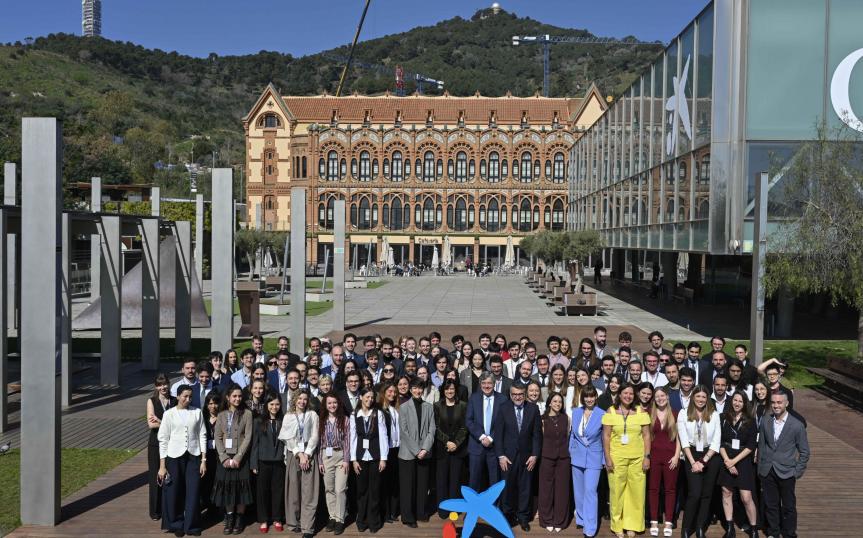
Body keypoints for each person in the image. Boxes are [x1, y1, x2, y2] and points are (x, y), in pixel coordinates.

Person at [602, 383, 652, 538]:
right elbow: (606, 436)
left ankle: (632, 524)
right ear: (620, 394)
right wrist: (608, 458)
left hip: (637, 458)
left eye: (631, 393)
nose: (628, 396)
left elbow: (646, 436)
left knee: (636, 492)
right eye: (625, 393)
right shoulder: (610, 411)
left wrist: (646, 457)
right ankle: (617, 525)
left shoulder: (640, 411)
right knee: (617, 492)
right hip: (617, 458)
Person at [757, 390, 809, 538]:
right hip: (767, 471)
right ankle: (773, 532)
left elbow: (804, 452)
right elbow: (761, 446)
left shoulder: (797, 425)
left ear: (786, 403)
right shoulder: (766, 420)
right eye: (773, 402)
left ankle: (789, 533)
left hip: (787, 472)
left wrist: (796, 472)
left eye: (779, 402)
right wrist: (761, 469)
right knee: (771, 504)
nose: (776, 405)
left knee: (789, 506)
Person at [157, 385, 207, 537]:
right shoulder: (169, 414)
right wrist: (162, 466)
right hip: (174, 457)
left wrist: (203, 460)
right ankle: (176, 523)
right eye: (185, 396)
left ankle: (191, 525)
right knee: (175, 490)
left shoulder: (197, 412)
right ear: (177, 396)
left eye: (190, 397)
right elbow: (163, 439)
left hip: (193, 456)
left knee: (193, 491)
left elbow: (202, 435)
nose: (188, 399)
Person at [494, 383, 541, 532]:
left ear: (525, 394)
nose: (517, 397)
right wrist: (500, 455)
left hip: (527, 458)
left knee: (525, 489)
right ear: (510, 394)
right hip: (507, 457)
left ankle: (523, 517)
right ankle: (508, 516)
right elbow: (498, 435)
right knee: (507, 488)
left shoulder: (533, 409)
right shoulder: (503, 408)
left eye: (520, 394)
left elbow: (537, 435)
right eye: (514, 394)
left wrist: (534, 455)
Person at [677, 385, 722, 538]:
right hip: (692, 454)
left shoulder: (714, 415)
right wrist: (693, 462)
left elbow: (716, 442)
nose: (701, 400)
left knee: (706, 495)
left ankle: (700, 528)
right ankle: (686, 529)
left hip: (710, 456)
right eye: (698, 396)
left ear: (707, 399)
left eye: (704, 397)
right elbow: (684, 442)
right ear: (693, 398)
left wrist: (703, 461)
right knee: (694, 494)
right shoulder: (683, 414)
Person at [212, 385, 254, 535]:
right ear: (228, 397)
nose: (237, 399)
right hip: (225, 458)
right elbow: (217, 437)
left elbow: (248, 436)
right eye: (234, 396)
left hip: (240, 458)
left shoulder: (247, 414)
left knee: (241, 489)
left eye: (239, 396)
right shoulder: (222, 414)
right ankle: (229, 517)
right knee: (229, 490)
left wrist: (238, 457)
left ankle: (239, 518)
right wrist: (223, 457)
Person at [718, 392, 759, 538]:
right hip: (726, 458)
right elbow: (720, 441)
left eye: (740, 401)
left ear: (744, 403)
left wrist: (733, 462)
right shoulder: (724, 418)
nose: (737, 403)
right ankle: (730, 528)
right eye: (735, 400)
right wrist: (727, 461)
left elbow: (751, 445)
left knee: (746, 497)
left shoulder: (750, 421)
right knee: (726, 492)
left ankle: (753, 528)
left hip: (743, 460)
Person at [349, 387, 389, 534]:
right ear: (361, 397)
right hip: (360, 458)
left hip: (375, 457)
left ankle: (374, 521)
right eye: (367, 396)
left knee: (375, 490)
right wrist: (353, 459)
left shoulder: (378, 414)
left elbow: (383, 437)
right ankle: (362, 520)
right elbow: (353, 438)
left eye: (372, 397)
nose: (370, 399)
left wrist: (383, 458)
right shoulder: (354, 414)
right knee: (361, 491)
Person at [398, 378, 436, 528]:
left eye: (420, 388)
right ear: (410, 389)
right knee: (408, 486)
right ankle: (408, 516)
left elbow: (431, 429)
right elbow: (404, 431)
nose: (417, 391)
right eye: (414, 388)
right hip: (408, 452)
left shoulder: (428, 407)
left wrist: (425, 448)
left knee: (422, 485)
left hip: (424, 452)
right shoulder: (404, 407)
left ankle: (421, 512)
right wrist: (417, 450)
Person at [570, 385, 605, 538]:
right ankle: (582, 519)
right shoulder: (576, 412)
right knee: (578, 492)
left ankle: (590, 528)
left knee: (590, 491)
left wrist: (604, 459)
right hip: (577, 457)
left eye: (592, 396)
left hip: (594, 458)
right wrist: (571, 450)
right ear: (582, 398)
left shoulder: (602, 414)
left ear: (595, 397)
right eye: (586, 396)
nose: (589, 399)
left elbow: (605, 438)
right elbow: (572, 434)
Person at [647, 386, 680, 538]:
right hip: (653, 457)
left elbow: (680, 437)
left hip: (670, 458)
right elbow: (645, 437)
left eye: (662, 395)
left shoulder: (675, 414)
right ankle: (654, 521)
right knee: (653, 489)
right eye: (657, 396)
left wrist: (676, 455)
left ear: (667, 397)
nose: (660, 398)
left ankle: (668, 521)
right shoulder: (649, 414)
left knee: (670, 490)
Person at [250, 393, 285, 533]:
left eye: (277, 404)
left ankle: (277, 518)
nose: (274, 407)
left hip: (279, 462)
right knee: (262, 492)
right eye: (271, 404)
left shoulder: (283, 421)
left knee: (278, 490)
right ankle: (263, 519)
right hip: (263, 461)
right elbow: (255, 444)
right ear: (266, 405)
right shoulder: (259, 421)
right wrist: (254, 464)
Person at [465, 372, 505, 491]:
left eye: (489, 383)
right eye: (484, 383)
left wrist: (491, 438)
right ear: (480, 384)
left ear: (494, 384)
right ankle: (473, 508)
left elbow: (503, 424)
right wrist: (482, 437)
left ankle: (494, 508)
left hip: (495, 448)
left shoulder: (502, 399)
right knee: (474, 480)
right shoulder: (474, 398)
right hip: (476, 446)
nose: (487, 386)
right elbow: (469, 421)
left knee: (495, 482)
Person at [433, 380, 467, 518]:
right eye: (447, 389)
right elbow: (435, 427)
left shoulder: (463, 405)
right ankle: (442, 508)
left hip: (458, 449)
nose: (449, 391)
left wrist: (456, 443)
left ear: (456, 390)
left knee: (455, 480)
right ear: (443, 391)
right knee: (442, 479)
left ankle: (454, 508)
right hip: (442, 448)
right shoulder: (437, 406)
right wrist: (447, 442)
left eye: (452, 389)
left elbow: (465, 427)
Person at [318, 393, 350, 535]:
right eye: (329, 403)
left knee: (340, 489)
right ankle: (332, 516)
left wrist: (346, 459)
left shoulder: (345, 419)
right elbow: (318, 442)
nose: (332, 405)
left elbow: (348, 441)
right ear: (325, 405)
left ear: (339, 404)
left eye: (335, 403)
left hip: (341, 455)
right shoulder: (321, 420)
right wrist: (320, 461)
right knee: (329, 488)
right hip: (326, 455)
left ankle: (340, 519)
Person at [538, 392, 571, 532]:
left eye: (560, 402)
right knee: (546, 490)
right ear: (549, 403)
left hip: (563, 458)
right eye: (555, 401)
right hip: (547, 457)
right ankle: (547, 519)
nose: (558, 404)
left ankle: (560, 520)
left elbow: (568, 436)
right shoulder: (542, 419)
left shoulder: (566, 418)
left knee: (562, 490)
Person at [147, 373, 176, 522]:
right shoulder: (152, 401)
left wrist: (161, 421)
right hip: (155, 443)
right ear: (156, 387)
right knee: (155, 476)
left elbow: (177, 424)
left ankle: (168, 508)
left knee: (170, 476)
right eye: (159, 384)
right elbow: (151, 424)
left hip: (172, 444)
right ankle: (155, 510)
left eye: (165, 384)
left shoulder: (174, 401)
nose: (163, 387)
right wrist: (166, 423)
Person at [378, 382, 402, 523]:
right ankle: (385, 513)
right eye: (390, 391)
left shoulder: (396, 408)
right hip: (385, 451)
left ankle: (393, 512)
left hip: (397, 449)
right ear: (384, 393)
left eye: (394, 392)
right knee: (385, 483)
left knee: (395, 482)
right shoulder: (380, 409)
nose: (392, 394)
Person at [200, 391, 222, 518]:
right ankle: (207, 505)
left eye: (215, 403)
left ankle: (216, 507)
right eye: (210, 403)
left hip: (219, 454)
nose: (213, 406)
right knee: (206, 481)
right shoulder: (202, 418)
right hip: (206, 455)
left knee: (217, 481)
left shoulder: (223, 417)